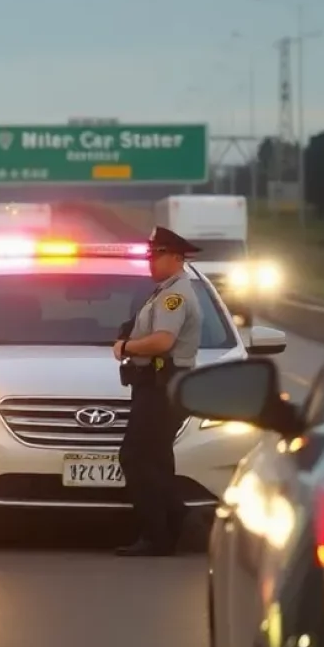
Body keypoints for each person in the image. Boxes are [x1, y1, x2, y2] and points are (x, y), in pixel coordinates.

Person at [112, 226, 203, 557]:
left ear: (177, 258)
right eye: (151, 254)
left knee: (136, 457)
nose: (151, 261)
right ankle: (170, 529)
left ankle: (164, 528)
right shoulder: (164, 291)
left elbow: (163, 341)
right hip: (156, 384)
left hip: (163, 385)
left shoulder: (174, 295)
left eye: (158, 254)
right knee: (157, 460)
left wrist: (126, 346)